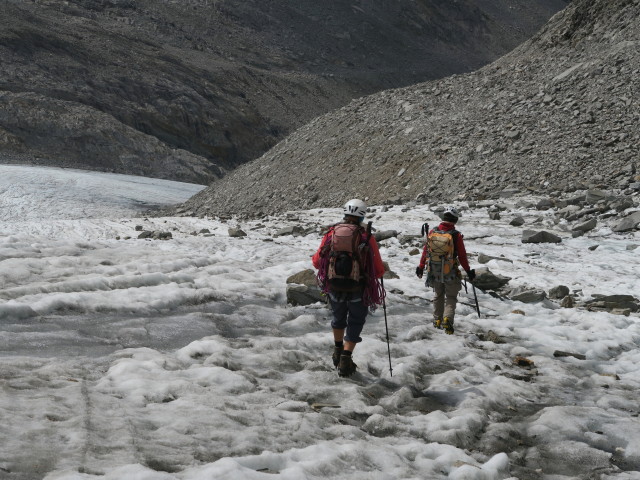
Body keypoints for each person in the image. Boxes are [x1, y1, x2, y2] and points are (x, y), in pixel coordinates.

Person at [312, 199, 385, 377]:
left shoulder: (332, 233)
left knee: (338, 318)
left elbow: (316, 261)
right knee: (355, 321)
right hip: (358, 288)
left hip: (334, 286)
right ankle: (346, 357)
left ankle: (337, 350)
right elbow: (378, 269)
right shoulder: (366, 236)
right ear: (362, 216)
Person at [415, 206, 475, 335]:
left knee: (438, 295)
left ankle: (437, 320)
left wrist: (420, 267)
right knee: (451, 297)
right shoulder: (455, 235)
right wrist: (469, 271)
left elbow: (426, 251)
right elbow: (462, 256)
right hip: (450, 271)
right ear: (455, 220)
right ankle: (448, 318)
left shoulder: (433, 231)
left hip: (434, 270)